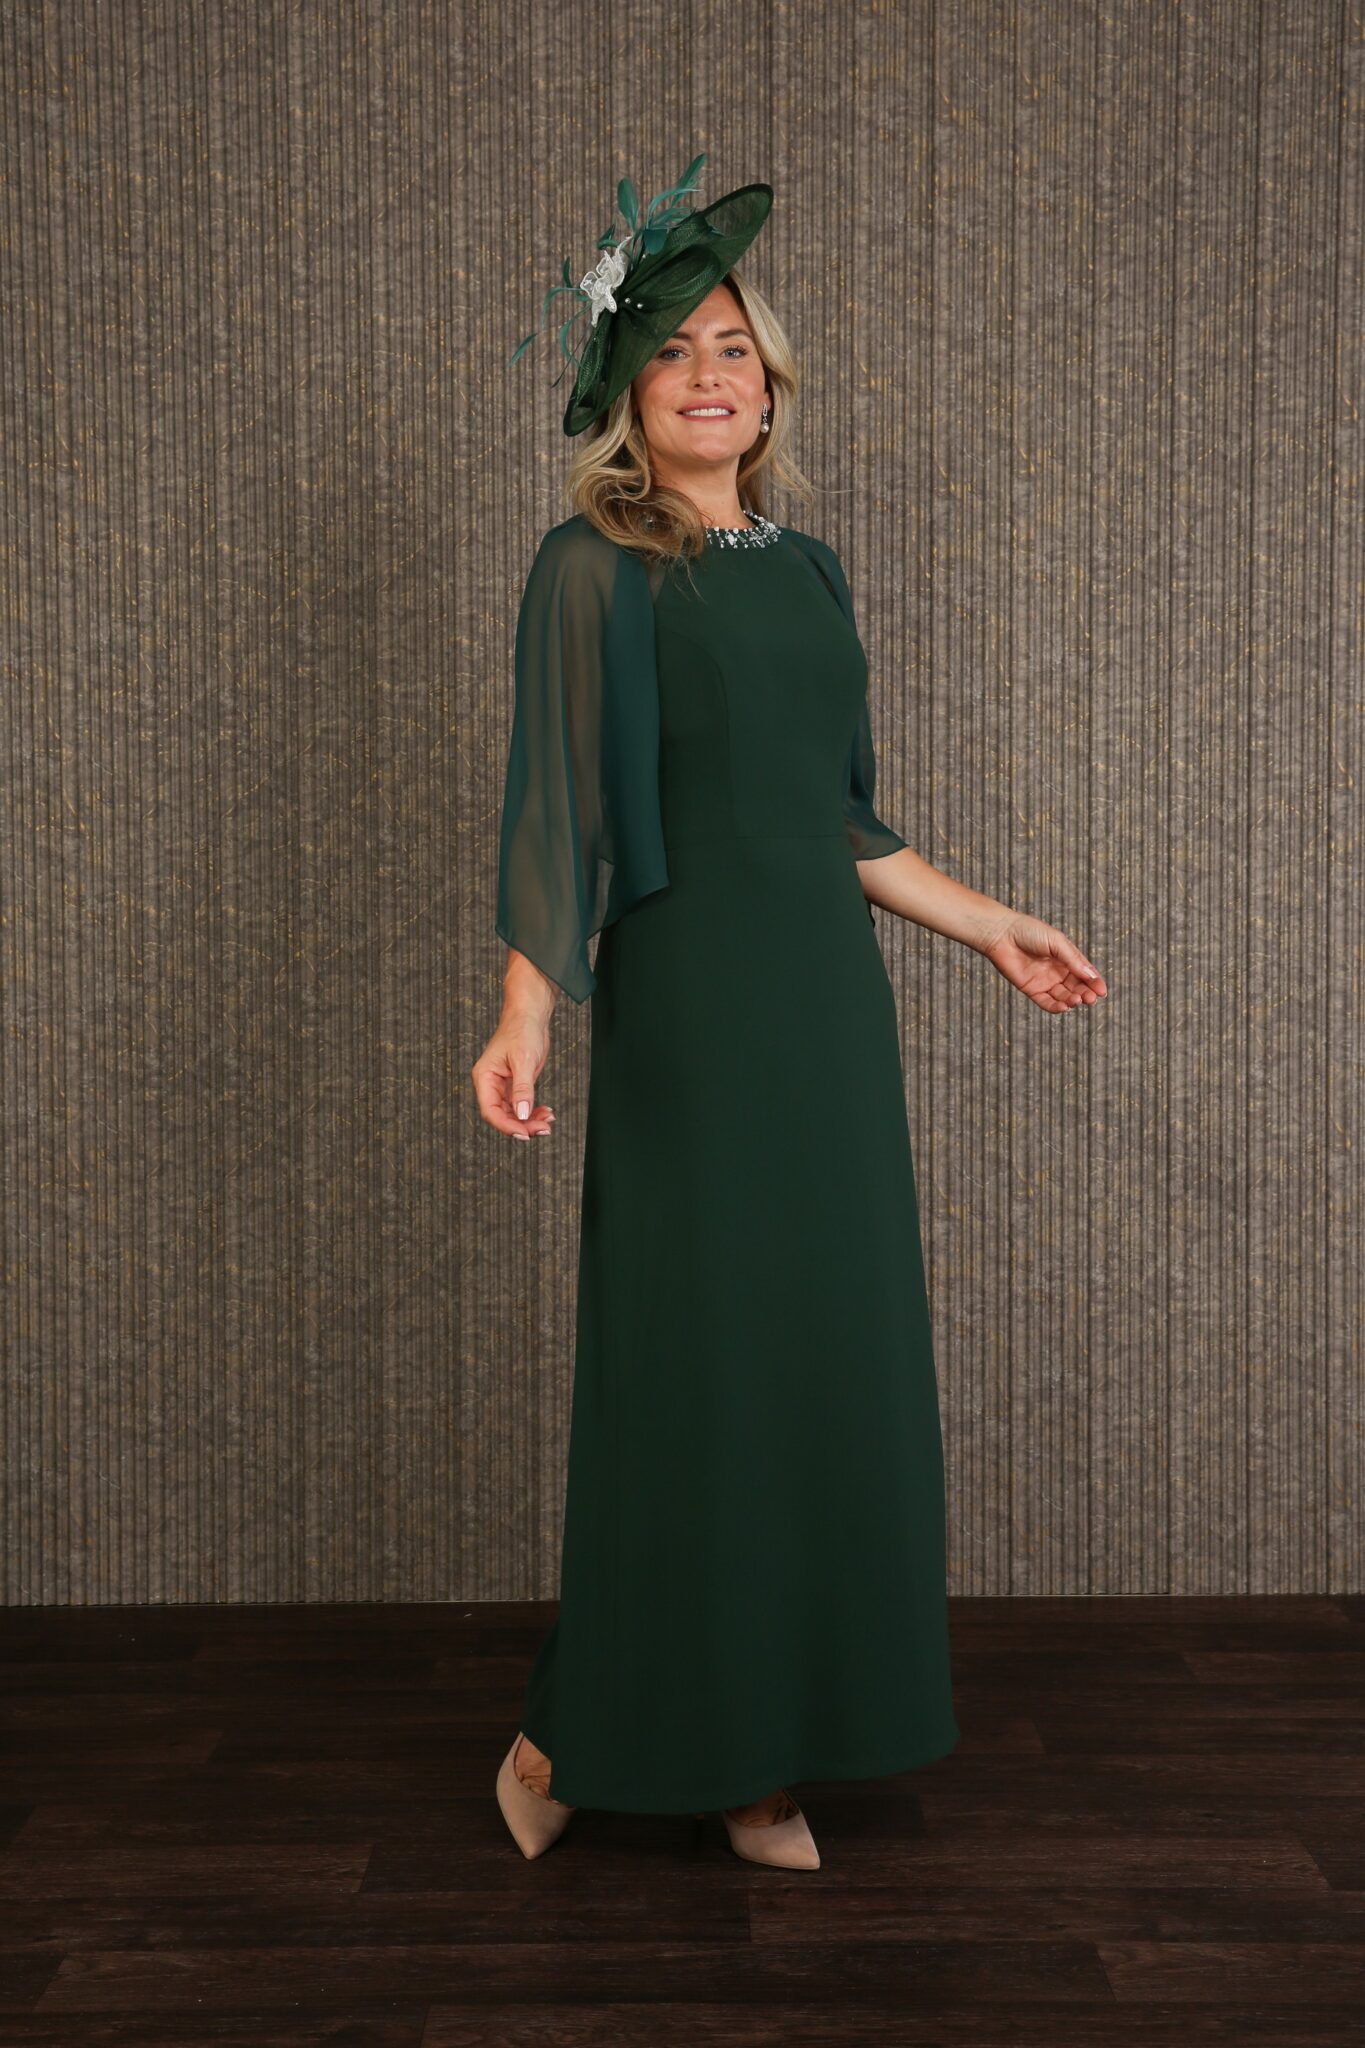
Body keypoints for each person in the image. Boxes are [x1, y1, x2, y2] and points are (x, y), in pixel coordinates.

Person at [473, 156, 1108, 1869]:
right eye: (672, 350)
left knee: (820, 1370)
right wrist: (525, 1014)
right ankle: (569, 1739)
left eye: (733, 349)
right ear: (627, 392)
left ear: (769, 386)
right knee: (701, 1378)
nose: (707, 373)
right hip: (690, 1018)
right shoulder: (591, 567)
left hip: (825, 1022)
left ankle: (762, 1755)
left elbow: (833, 821)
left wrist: (990, 926)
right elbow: (561, 812)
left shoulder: (811, 570)